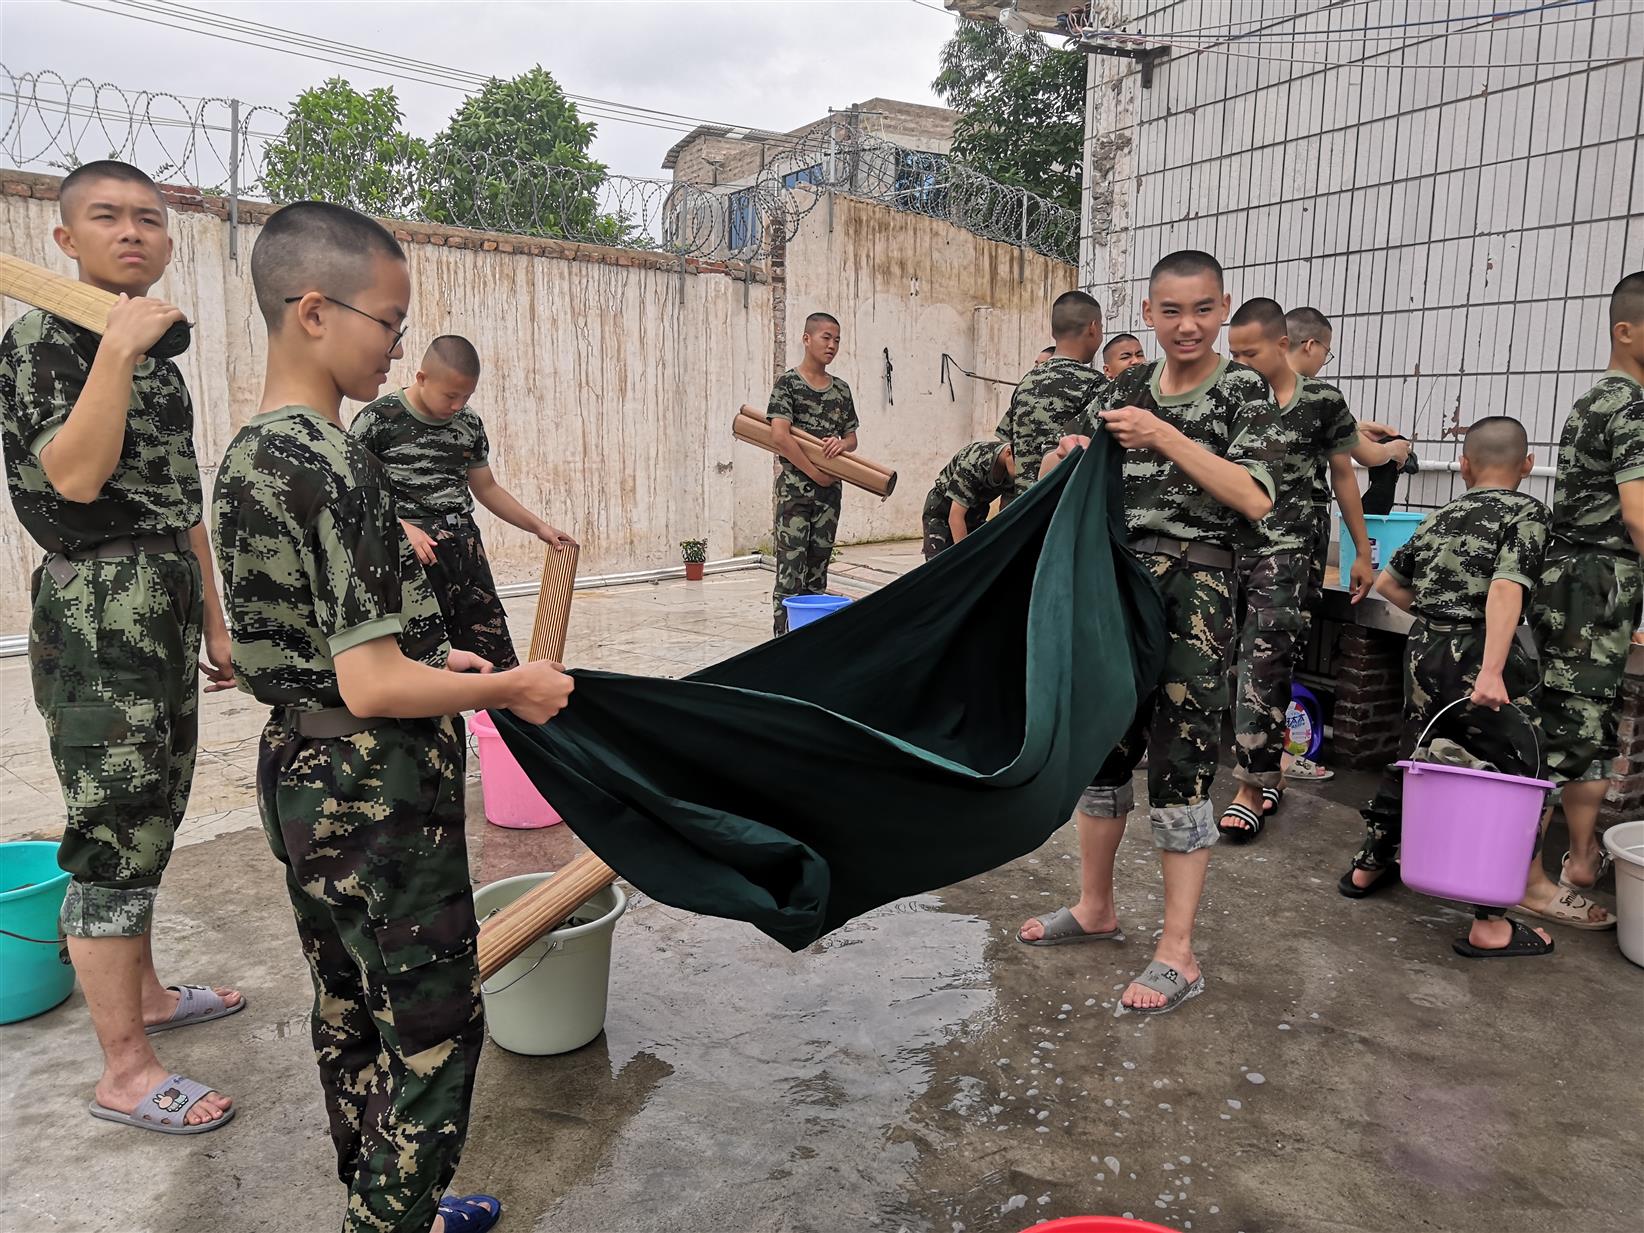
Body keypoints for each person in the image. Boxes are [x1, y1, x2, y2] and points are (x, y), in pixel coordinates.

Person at [213, 200, 574, 1232]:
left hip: (295, 769)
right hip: (375, 792)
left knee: (347, 1004)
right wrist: (505, 685)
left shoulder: (249, 454)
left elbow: (323, 649)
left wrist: (435, 655)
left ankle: (391, 1203)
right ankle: (387, 1220)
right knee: (430, 1027)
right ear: (315, 311)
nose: (398, 347)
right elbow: (373, 689)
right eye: (390, 322)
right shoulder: (342, 465)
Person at [0, 160, 241, 1134]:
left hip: (165, 600)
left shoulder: (161, 361)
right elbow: (77, 481)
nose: (132, 232)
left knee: (154, 813)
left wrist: (216, 621)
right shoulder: (39, 344)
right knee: (112, 832)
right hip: (96, 604)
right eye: (107, 217)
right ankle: (126, 1072)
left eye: (149, 219)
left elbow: (184, 506)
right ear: (67, 241)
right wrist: (116, 353)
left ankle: (144, 998)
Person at [1019, 250, 1282, 1015]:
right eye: (1172, 311)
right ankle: (1095, 907)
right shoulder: (1124, 385)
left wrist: (1163, 435)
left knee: (1181, 761)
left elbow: (1255, 497)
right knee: (1104, 746)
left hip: (1196, 590)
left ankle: (1178, 951)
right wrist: (1062, 454)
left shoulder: (1242, 393)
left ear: (1223, 306)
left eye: (1202, 309)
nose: (1188, 325)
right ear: (1147, 313)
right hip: (1118, 585)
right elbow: (1056, 466)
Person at [1337, 418, 1556, 957]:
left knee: (1417, 755)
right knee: (1514, 771)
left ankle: (1370, 864)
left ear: (1462, 467)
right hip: (1485, 651)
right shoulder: (1527, 511)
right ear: (1526, 467)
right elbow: (1506, 587)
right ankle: (1490, 923)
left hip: (1424, 646)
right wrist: (1488, 667)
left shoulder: (1442, 516)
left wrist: (1439, 622)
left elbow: (1389, 583)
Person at [1516, 271, 1644, 932]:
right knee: (1568, 727)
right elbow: (1639, 514)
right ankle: (1526, 880)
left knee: (1587, 725)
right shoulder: (1631, 406)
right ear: (1625, 331)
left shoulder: (1595, 399)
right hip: (1594, 584)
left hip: (1588, 580)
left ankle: (1582, 860)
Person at [1218, 298, 1372, 840]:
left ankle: (1250, 786)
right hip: (1227, 545)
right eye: (1233, 353)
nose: (1239, 363)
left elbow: (1346, 476)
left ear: (1283, 344)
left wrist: (1361, 552)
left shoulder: (1321, 401)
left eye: (1250, 352)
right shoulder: (1230, 396)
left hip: (1288, 549)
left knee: (1268, 658)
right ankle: (1271, 768)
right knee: (1236, 662)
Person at [350, 335, 575, 670]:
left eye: (466, 396)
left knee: (496, 663)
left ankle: (498, 723)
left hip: (465, 552)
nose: (457, 405)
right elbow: (353, 495)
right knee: (426, 662)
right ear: (421, 378)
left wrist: (539, 527)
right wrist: (399, 529)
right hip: (414, 557)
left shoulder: (468, 423)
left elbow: (487, 488)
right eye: (450, 395)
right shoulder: (379, 420)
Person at [1282, 306, 1413, 784]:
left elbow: (1336, 435)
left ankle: (1247, 754)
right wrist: (1394, 450)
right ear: (1311, 345)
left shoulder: (1250, 388)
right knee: (1284, 651)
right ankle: (1282, 758)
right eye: (1327, 352)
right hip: (1296, 545)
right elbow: (1360, 463)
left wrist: (1358, 426)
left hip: (1242, 545)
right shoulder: (1320, 393)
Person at [767, 311, 858, 635]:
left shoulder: (841, 390)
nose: (832, 345)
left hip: (829, 494)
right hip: (795, 491)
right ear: (807, 339)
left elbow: (852, 438)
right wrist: (813, 472)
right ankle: (781, 641)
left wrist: (841, 445)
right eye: (825, 338)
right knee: (790, 573)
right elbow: (780, 436)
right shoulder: (788, 384)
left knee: (817, 573)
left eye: (836, 340)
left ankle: (811, 641)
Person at [994, 290, 1107, 508]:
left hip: (1023, 509)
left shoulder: (1027, 381)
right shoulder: (1094, 383)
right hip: (1063, 509)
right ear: (1093, 328)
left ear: (1054, 331)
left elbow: (1006, 441)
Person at [921, 439, 1017, 560]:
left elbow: (1007, 513)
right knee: (940, 566)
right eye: (1019, 464)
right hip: (944, 510)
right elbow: (955, 517)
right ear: (1008, 453)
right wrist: (964, 560)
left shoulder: (1018, 467)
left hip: (975, 512)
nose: (1023, 471)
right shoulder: (974, 461)